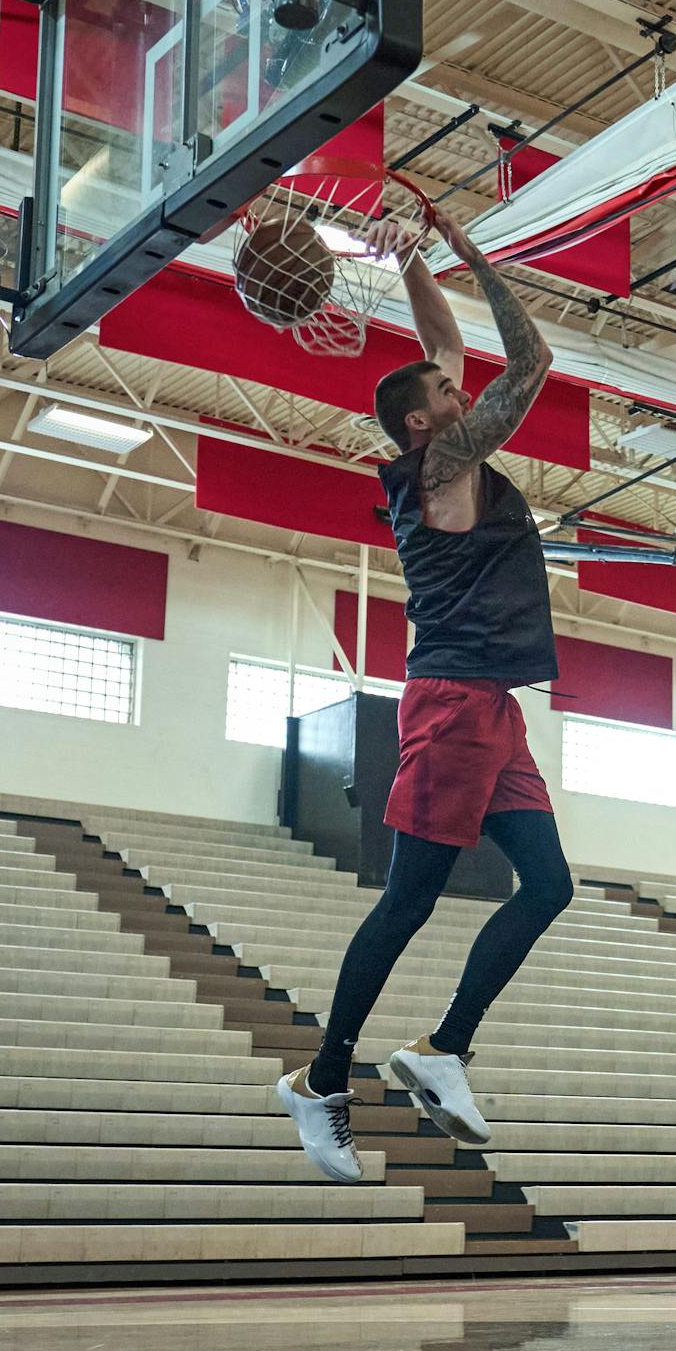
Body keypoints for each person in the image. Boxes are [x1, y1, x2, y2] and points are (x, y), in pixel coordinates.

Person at [278, 207, 573, 1181]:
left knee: (551, 885)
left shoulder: (443, 442)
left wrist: (409, 257)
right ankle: (321, 1080)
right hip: (449, 700)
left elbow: (440, 341)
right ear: (424, 420)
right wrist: (466, 247)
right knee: (407, 901)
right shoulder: (440, 463)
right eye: (448, 389)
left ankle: (442, 1047)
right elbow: (528, 361)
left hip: (492, 705)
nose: (461, 381)